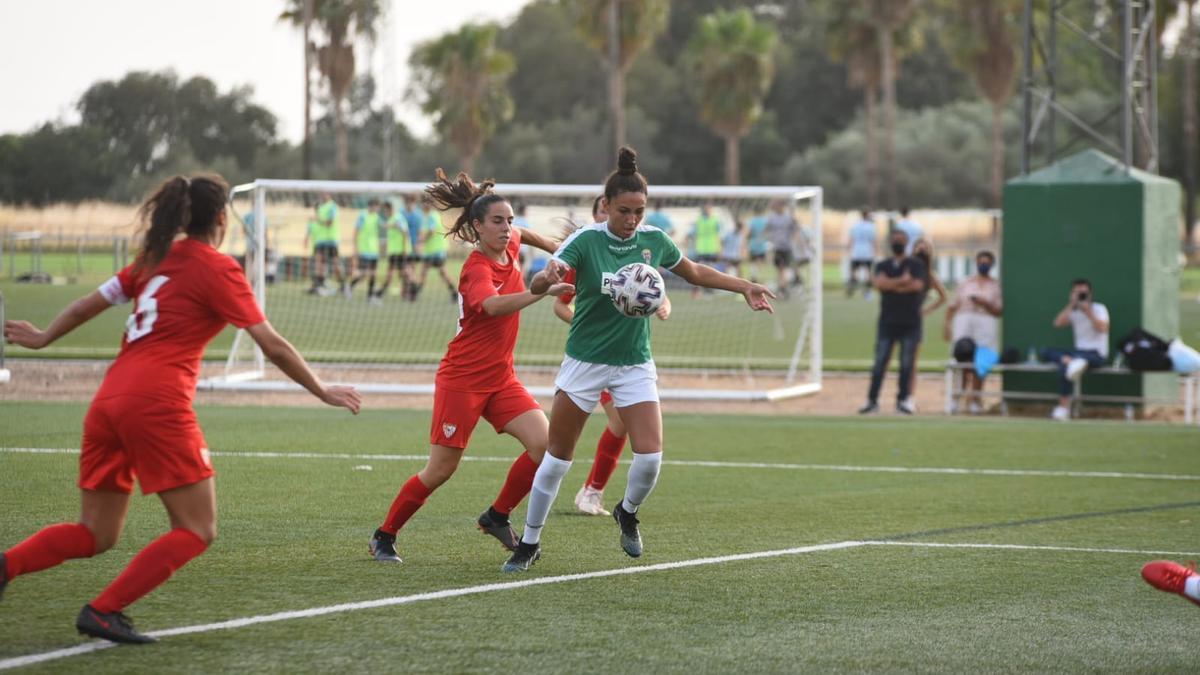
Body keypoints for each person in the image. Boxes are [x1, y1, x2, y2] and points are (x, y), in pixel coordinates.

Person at [0, 174, 362, 644]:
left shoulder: (153, 259)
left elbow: (92, 303)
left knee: (95, 533)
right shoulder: (217, 268)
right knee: (197, 528)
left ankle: (6, 566)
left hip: (108, 401)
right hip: (157, 403)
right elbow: (270, 344)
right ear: (220, 218)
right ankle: (103, 611)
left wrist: (46, 335)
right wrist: (321, 390)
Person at [501, 146, 774, 572]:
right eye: (624, 210)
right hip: (585, 362)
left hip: (633, 364)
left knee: (649, 459)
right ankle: (530, 543)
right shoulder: (586, 241)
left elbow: (696, 271)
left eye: (639, 212)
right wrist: (544, 277)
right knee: (557, 459)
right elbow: (539, 283)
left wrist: (744, 286)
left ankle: (626, 511)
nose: (631, 220)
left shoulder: (653, 241)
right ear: (606, 206)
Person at [368, 169, 572, 564]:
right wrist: (538, 290)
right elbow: (492, 307)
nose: (507, 227)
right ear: (476, 227)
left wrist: (555, 249)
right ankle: (384, 534)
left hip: (500, 379)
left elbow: (525, 235)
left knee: (546, 445)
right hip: (462, 380)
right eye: (497, 221)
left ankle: (496, 516)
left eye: (509, 220)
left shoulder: (509, 240)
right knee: (441, 470)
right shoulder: (475, 268)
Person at [554, 196, 672, 517]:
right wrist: (585, 322)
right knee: (613, 424)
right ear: (597, 216)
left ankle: (593, 491)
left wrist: (661, 305)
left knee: (622, 425)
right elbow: (560, 305)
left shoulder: (637, 259)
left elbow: (659, 295)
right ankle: (590, 490)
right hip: (591, 356)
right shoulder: (584, 254)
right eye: (606, 212)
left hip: (626, 358)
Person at [859, 229, 926, 416]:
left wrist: (891, 284)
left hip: (910, 322)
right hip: (887, 322)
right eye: (895, 240)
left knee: (906, 364)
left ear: (906, 243)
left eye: (901, 240)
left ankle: (903, 401)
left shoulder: (916, 264)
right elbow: (879, 284)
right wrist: (902, 282)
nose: (898, 243)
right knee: (880, 362)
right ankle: (872, 401)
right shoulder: (882, 264)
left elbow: (917, 286)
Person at [1041, 278, 1110, 421]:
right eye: (1076, 293)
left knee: (1065, 366)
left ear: (1090, 294)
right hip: (1078, 352)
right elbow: (1057, 323)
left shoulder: (1099, 308)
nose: (1080, 296)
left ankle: (1063, 408)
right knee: (1046, 351)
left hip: (1096, 354)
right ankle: (1071, 361)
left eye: (1083, 293)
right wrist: (1071, 305)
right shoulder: (1073, 310)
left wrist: (1088, 312)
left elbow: (1103, 328)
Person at [943, 250, 1003, 414]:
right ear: (976, 263)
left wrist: (985, 303)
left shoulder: (996, 285)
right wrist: (947, 324)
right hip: (965, 321)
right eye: (981, 261)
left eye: (987, 262)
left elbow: (999, 311)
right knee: (962, 358)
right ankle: (956, 398)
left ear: (992, 264)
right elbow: (954, 305)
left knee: (981, 361)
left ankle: (975, 399)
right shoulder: (965, 282)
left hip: (986, 322)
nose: (983, 265)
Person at [906, 238, 948, 403]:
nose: (921, 251)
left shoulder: (929, 276)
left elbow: (943, 297)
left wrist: (925, 311)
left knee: (911, 362)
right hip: (896, 318)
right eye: (918, 247)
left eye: (924, 249)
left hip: (914, 321)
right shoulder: (906, 270)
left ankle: (909, 397)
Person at [412, 198, 459, 303]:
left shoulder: (432, 216)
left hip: (437, 250)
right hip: (431, 251)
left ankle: (455, 293)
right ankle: (415, 294)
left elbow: (431, 232)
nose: (423, 206)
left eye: (425, 204)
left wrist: (420, 241)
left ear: (429, 205)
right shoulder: (428, 216)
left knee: (439, 272)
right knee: (430, 272)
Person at [302, 194, 346, 296]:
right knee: (319, 265)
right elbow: (311, 228)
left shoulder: (332, 207)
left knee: (336, 265)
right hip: (320, 241)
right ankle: (319, 286)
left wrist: (318, 220)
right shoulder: (319, 209)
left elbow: (329, 223)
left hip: (331, 240)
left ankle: (344, 286)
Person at [375, 201, 414, 302]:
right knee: (398, 274)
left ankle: (413, 291)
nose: (385, 213)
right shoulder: (392, 219)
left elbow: (405, 232)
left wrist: (405, 249)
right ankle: (408, 293)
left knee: (404, 273)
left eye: (386, 210)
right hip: (394, 252)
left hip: (400, 252)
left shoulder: (398, 218)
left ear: (390, 209)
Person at [348, 199, 383, 303]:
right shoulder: (363, 216)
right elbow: (356, 231)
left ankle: (370, 297)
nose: (377, 209)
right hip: (364, 249)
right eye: (376, 207)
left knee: (373, 274)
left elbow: (384, 225)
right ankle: (349, 287)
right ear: (371, 206)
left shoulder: (376, 217)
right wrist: (355, 247)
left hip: (374, 250)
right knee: (363, 274)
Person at [765, 200, 800, 299]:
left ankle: (783, 289)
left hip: (786, 247)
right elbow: (767, 230)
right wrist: (770, 239)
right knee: (780, 269)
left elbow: (795, 229)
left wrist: (794, 240)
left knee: (783, 269)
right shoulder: (771, 218)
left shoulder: (789, 218)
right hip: (777, 247)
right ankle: (783, 288)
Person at [846, 209, 877, 299]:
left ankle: (851, 288)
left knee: (854, 272)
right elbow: (873, 241)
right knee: (868, 273)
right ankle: (867, 291)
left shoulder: (855, 226)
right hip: (868, 252)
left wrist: (849, 251)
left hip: (856, 252)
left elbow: (851, 240)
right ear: (867, 215)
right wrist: (875, 252)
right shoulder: (871, 226)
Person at [746, 211, 769, 282]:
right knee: (760, 261)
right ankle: (758, 276)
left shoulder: (752, 221)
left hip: (753, 244)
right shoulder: (765, 221)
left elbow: (749, 232)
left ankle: (754, 276)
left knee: (753, 261)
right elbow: (767, 232)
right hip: (762, 244)